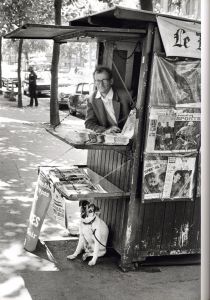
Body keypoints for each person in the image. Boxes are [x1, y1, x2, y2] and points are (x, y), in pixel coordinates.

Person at [85, 66, 131, 133]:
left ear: (111, 81)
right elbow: (89, 123)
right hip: (108, 137)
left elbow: (137, 117)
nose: (101, 84)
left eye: (104, 80)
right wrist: (105, 130)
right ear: (95, 82)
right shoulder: (92, 99)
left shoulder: (126, 96)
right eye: (98, 80)